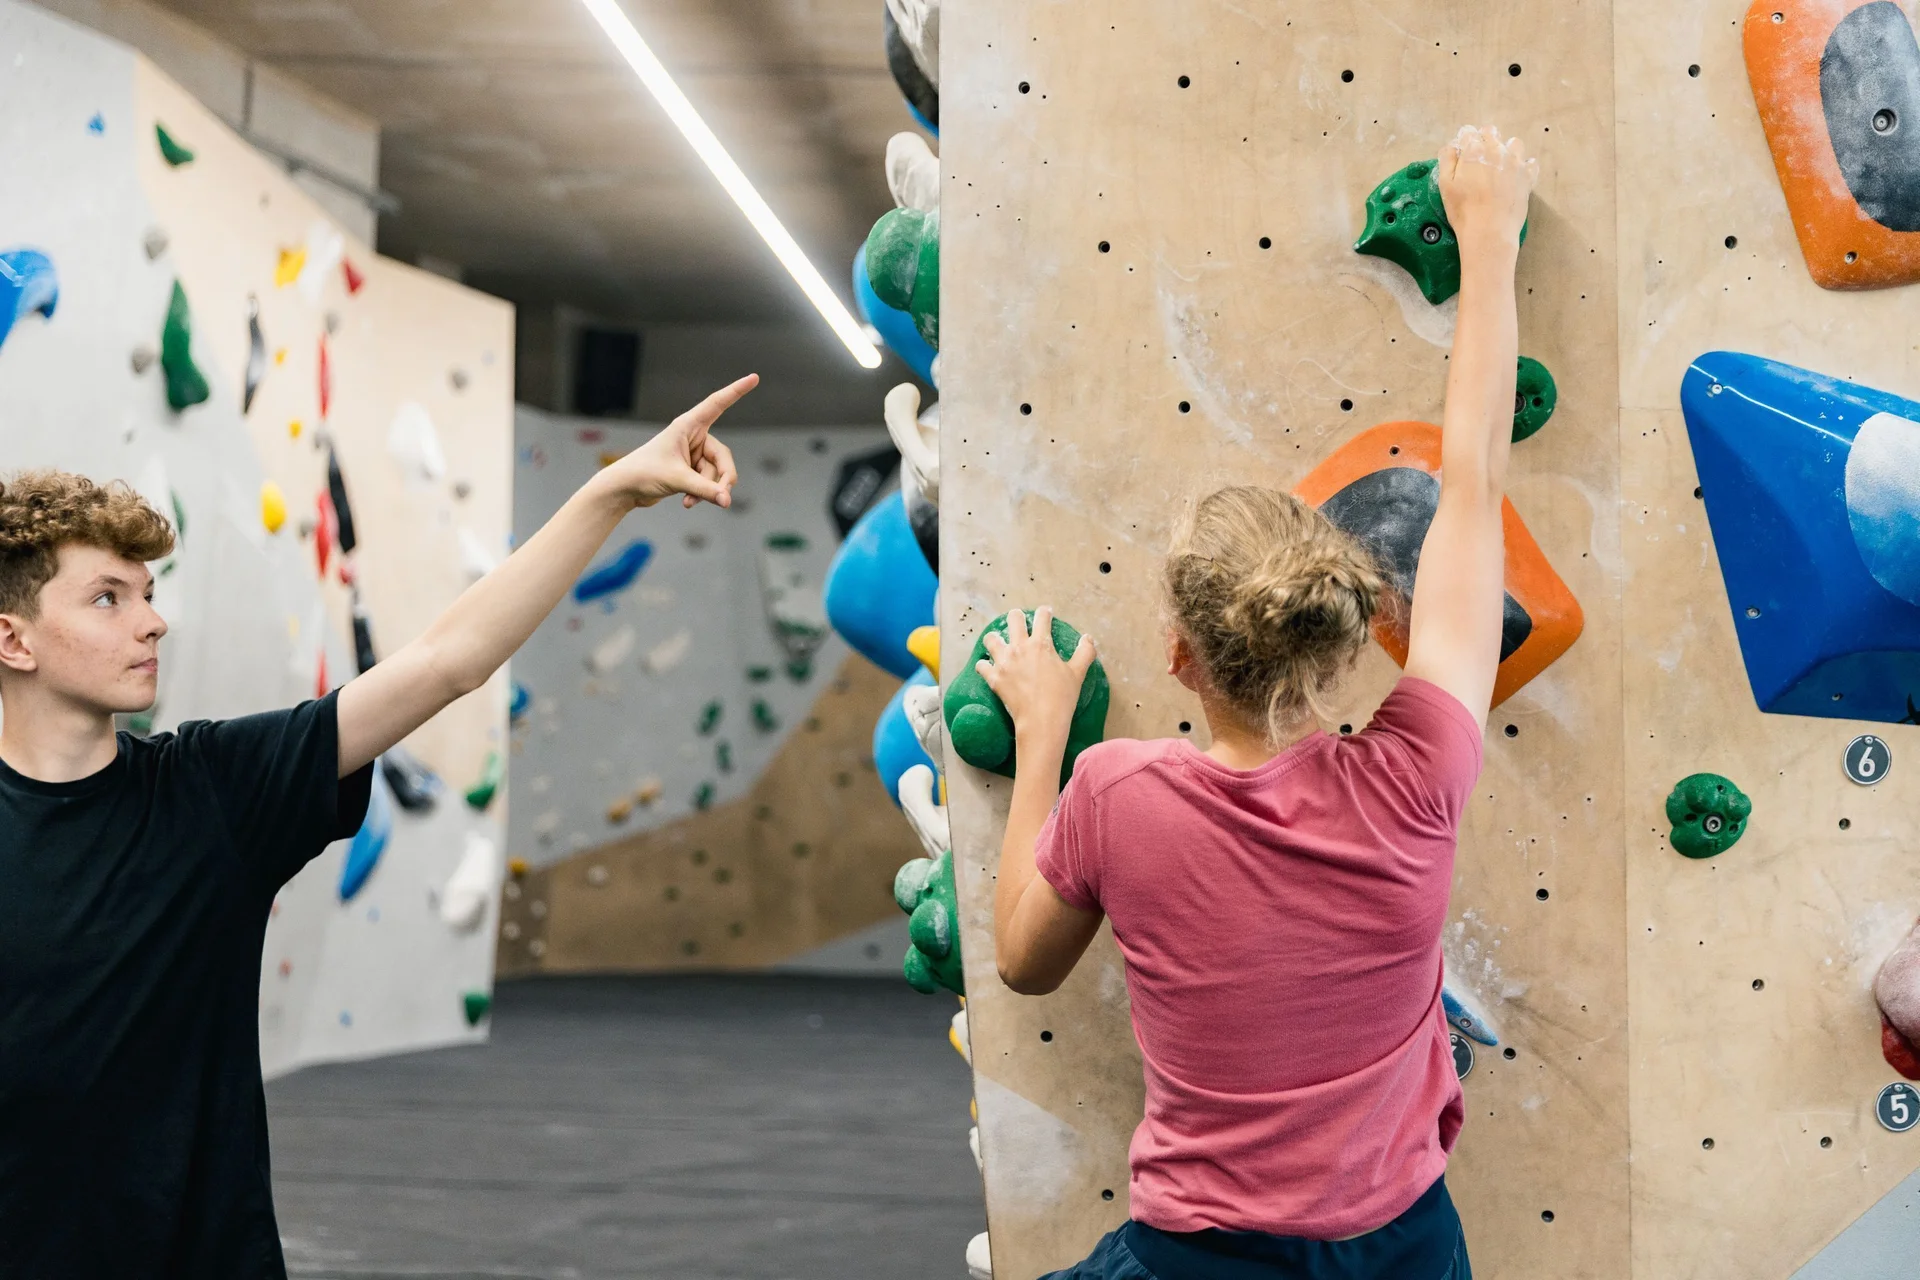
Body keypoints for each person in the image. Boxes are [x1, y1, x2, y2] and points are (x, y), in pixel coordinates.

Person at [0, 375, 755, 1279]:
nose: (154, 622)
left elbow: (447, 663)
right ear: (15, 641)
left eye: (149, 593)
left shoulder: (216, 791)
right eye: (108, 599)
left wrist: (610, 492)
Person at [978, 125, 1537, 1280]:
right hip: (1403, 1253)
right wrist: (1488, 240)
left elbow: (1026, 963)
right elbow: (1473, 479)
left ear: (1181, 656)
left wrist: (1042, 738)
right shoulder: (1416, 770)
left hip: (1204, 1259)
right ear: (1336, 644)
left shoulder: (1118, 792)